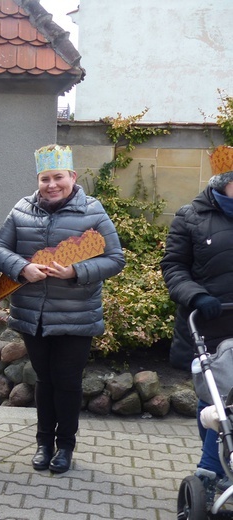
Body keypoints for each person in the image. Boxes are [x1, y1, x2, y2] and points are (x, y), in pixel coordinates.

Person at [0, 144, 125, 474]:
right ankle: (43, 443)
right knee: (44, 380)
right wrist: (22, 268)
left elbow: (115, 259)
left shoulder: (92, 210)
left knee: (67, 382)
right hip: (33, 315)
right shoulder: (22, 210)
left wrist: (76, 271)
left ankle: (65, 446)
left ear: (72, 177)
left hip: (77, 315)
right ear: (38, 180)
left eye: (58, 177)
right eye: (45, 178)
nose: (52, 185)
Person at [161, 144, 233, 494]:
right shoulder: (191, 216)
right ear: (224, 181)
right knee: (214, 402)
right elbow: (173, 267)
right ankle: (209, 471)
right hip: (210, 325)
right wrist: (196, 296)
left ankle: (213, 467)